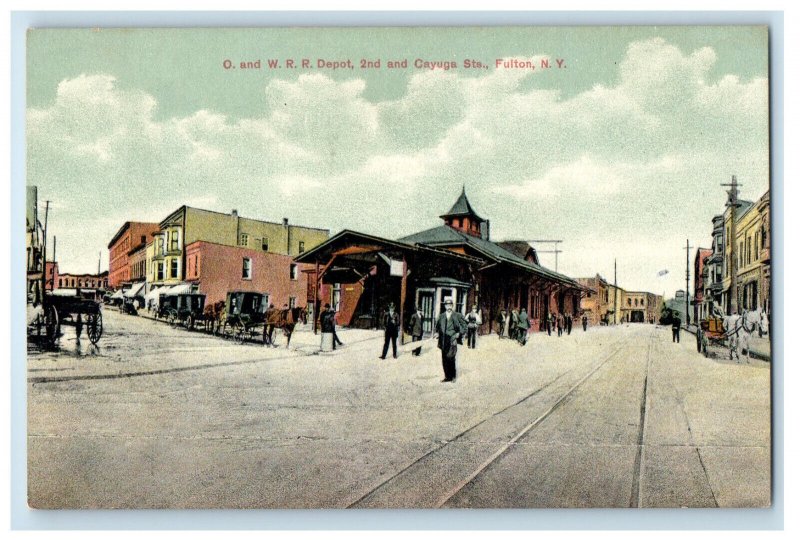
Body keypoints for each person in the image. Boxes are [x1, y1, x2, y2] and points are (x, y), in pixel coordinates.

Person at [435, 299, 467, 382]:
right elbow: (437, 327)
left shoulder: (457, 315)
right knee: (444, 359)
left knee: (451, 357)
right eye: (447, 305)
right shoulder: (441, 316)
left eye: (450, 305)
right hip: (443, 340)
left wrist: (459, 333)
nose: (449, 306)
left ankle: (453, 376)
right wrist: (437, 333)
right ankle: (447, 377)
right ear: (445, 306)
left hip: (452, 339)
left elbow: (465, 326)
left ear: (452, 306)